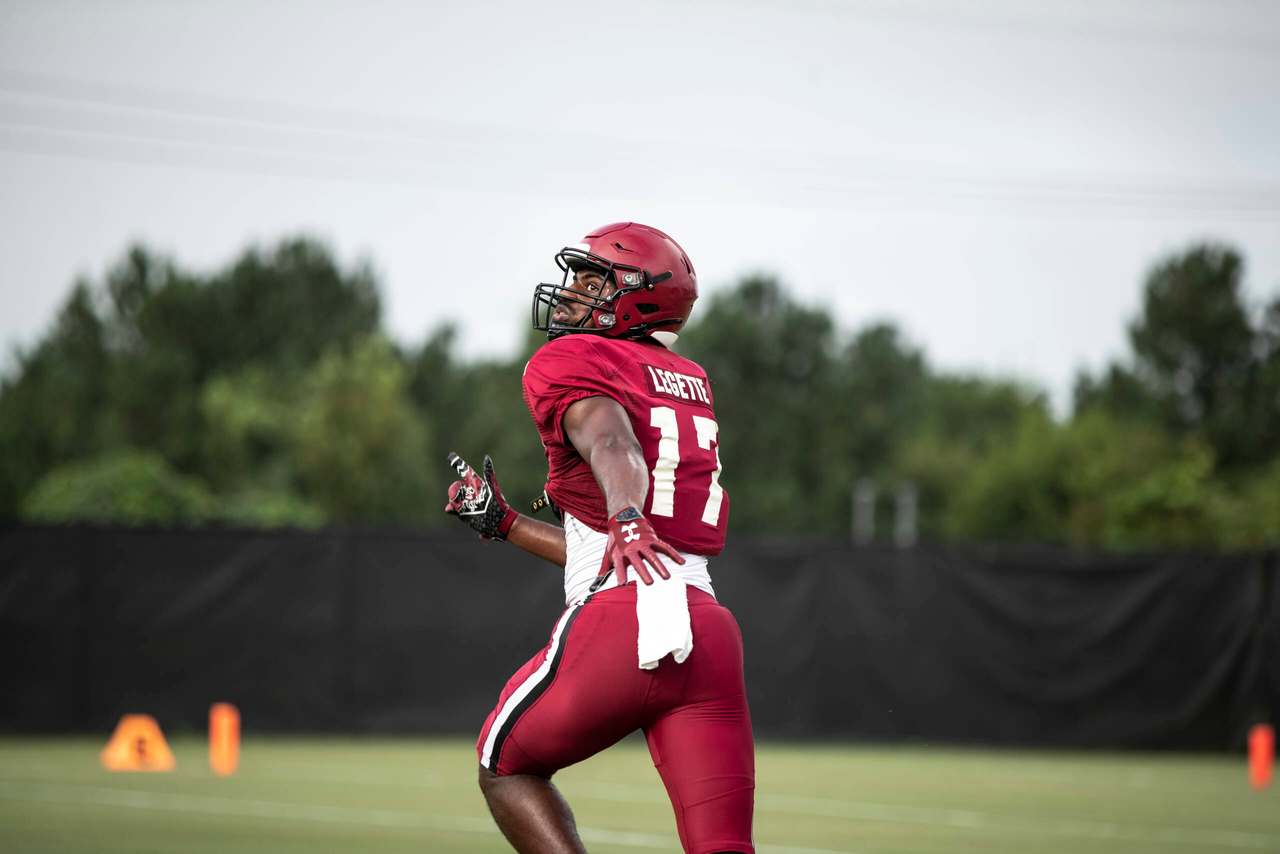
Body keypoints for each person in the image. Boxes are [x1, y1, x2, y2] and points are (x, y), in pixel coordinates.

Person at [445, 222, 754, 854]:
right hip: (706, 632)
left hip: (622, 622)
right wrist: (508, 523)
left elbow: (614, 444)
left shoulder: (571, 360)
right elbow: (607, 547)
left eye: (592, 282)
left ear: (638, 300)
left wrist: (627, 514)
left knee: (503, 766)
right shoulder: (687, 380)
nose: (568, 295)